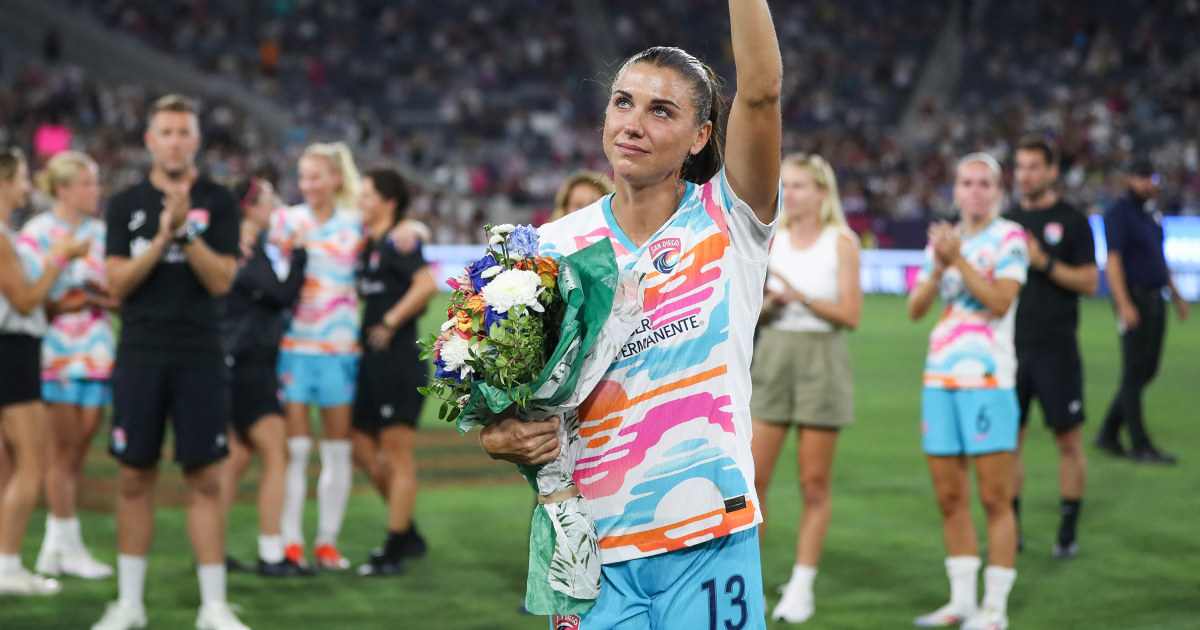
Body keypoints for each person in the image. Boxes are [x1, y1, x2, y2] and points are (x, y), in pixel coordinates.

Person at [481, 2, 783, 627]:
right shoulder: (552, 249)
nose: (633, 123)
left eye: (661, 110)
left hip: (707, 537)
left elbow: (761, 93)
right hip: (587, 545)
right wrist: (503, 436)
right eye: (622, 102)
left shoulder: (730, 221)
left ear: (702, 136)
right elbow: (510, 406)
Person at [91, 95, 250, 630]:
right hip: (140, 352)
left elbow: (222, 280)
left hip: (201, 353)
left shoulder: (220, 202)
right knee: (135, 476)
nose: (175, 140)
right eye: (166, 131)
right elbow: (117, 283)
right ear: (149, 140)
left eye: (184, 131)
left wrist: (186, 232)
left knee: (205, 478)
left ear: (196, 139)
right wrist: (162, 235)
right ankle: (130, 605)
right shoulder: (125, 203)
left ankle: (213, 607)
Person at [908, 153, 1027, 630]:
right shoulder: (945, 240)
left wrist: (956, 258)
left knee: (996, 498)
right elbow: (916, 308)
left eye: (984, 183)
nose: (975, 191)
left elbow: (1000, 301)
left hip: (989, 380)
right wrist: (939, 267)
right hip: (939, 379)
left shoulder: (1010, 237)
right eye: (967, 183)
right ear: (955, 191)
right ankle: (962, 602)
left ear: (998, 192)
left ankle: (994, 608)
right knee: (950, 498)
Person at [750, 153, 862, 623]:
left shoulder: (843, 242)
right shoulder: (769, 239)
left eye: (798, 186)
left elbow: (851, 316)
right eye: (786, 185)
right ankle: (749, 583)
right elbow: (753, 312)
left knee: (813, 484)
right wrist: (774, 305)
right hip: (773, 354)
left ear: (821, 192)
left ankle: (802, 584)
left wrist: (803, 298)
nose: (788, 194)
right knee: (754, 484)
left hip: (822, 359)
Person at [19, 151, 118, 580]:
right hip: (54, 351)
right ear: (63, 189)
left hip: (96, 349)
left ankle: (56, 547)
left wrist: (100, 295)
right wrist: (74, 297)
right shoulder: (36, 233)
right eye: (87, 183)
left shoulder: (102, 232)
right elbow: (25, 297)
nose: (96, 191)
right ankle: (67, 546)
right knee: (60, 454)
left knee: (77, 453)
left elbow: (118, 291)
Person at [1002, 137, 1097, 560]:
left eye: (1034, 167)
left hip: (1058, 350)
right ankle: (1013, 528)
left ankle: (1068, 532)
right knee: (1010, 442)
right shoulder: (1006, 222)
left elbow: (1091, 283)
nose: (1025, 175)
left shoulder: (1073, 222)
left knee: (1068, 442)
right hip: (1011, 349)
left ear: (1052, 171)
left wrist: (1044, 263)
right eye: (1020, 167)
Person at [270, 142, 364, 571]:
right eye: (303, 177)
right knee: (295, 451)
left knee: (336, 452)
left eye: (315, 176)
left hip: (340, 350)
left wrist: (414, 229)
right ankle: (291, 541)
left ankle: (327, 542)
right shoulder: (286, 221)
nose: (307, 185)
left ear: (335, 179)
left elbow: (399, 228)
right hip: (294, 349)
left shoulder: (355, 223)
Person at [0, 146, 89, 596]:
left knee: (6, 466)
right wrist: (60, 258)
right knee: (31, 464)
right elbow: (23, 301)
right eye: (20, 178)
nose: (26, 186)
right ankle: (9, 566)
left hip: (10, 346)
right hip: (12, 351)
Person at [217, 177, 311, 577]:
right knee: (277, 454)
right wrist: (303, 254)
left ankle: (212, 548)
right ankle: (272, 554)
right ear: (249, 206)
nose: (276, 208)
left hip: (237, 361)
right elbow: (281, 293)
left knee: (237, 457)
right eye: (269, 200)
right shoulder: (243, 249)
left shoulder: (239, 248)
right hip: (248, 360)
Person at [349, 167, 437, 577]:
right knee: (361, 448)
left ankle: (394, 548)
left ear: (387, 201)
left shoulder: (398, 241)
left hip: (398, 359)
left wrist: (389, 321)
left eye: (366, 195)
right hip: (370, 361)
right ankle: (407, 530)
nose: (360, 202)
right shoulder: (372, 242)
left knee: (395, 451)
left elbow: (425, 285)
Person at [1094, 159, 1190, 465]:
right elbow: (1113, 261)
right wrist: (1123, 304)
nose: (1149, 184)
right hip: (1134, 298)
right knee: (1134, 372)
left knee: (1146, 370)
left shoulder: (1150, 213)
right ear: (1128, 179)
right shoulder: (1119, 214)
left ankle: (1108, 433)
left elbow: (1158, 257)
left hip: (1154, 298)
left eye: (1152, 177)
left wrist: (1175, 295)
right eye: (1143, 178)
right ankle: (1140, 444)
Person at [548, 170, 614, 222]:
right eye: (578, 205)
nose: (586, 210)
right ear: (565, 209)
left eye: (594, 203)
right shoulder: (551, 238)